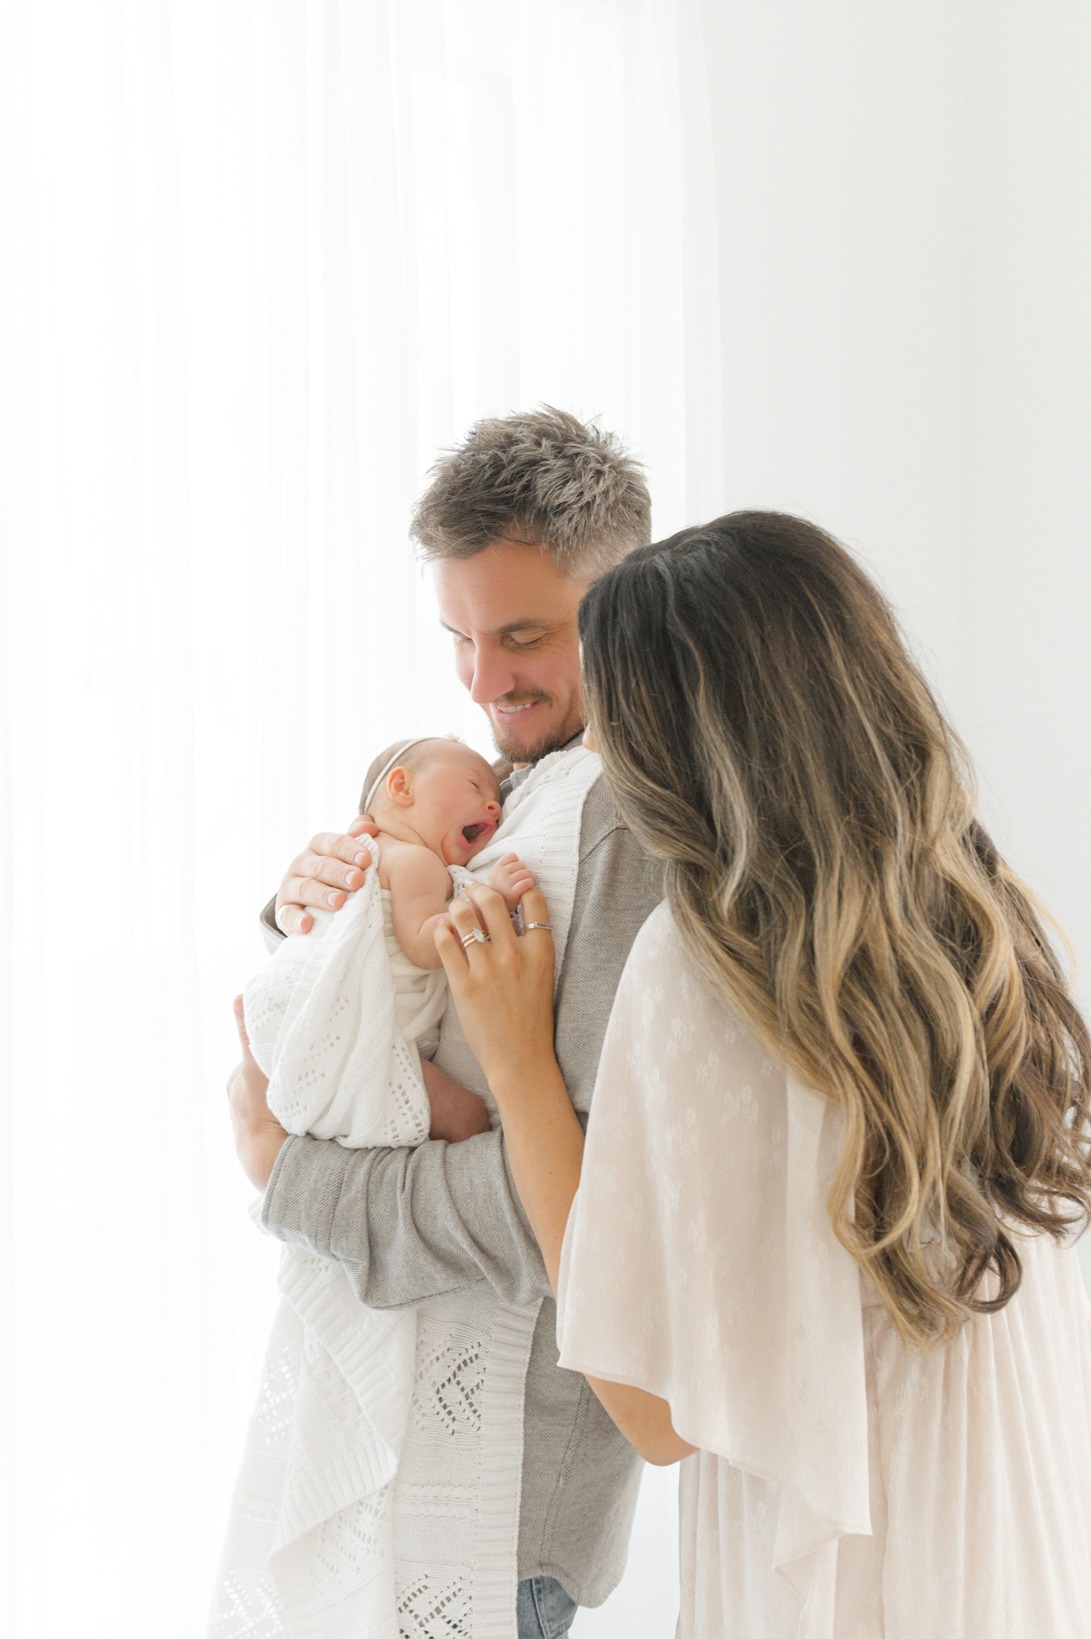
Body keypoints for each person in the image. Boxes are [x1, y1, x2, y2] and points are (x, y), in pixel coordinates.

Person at [433, 511, 1091, 1638]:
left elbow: (654, 1413)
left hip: (850, 1573)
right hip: (1003, 1531)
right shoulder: (982, 917)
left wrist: (516, 1061)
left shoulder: (702, 970)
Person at [225, 408, 662, 1639]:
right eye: (458, 639)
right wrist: (314, 916)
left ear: (628, 603)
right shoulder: (515, 792)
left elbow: (578, 1214)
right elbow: (417, 1028)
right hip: (411, 1460)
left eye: (521, 635)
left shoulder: (619, 821)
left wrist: (288, 1173)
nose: (482, 682)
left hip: (491, 1513)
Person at [209, 737, 536, 1635]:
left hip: (347, 1056)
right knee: (464, 1117)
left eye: (496, 795)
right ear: (398, 788)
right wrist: (494, 900)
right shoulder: (410, 862)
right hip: (367, 1047)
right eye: (471, 786)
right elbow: (425, 947)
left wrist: (279, 1159)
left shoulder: (388, 853)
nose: (491, 804)